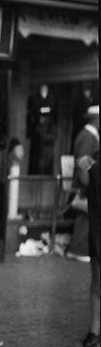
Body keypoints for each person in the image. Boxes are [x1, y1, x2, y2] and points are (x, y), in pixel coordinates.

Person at [66, 105, 99, 263]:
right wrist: (88, 184)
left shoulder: (89, 136)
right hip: (87, 183)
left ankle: (80, 248)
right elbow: (83, 162)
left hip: (90, 182)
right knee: (86, 215)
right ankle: (78, 249)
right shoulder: (88, 137)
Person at [76, 151, 100, 347]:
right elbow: (85, 181)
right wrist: (82, 166)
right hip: (99, 228)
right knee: (97, 279)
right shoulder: (96, 158)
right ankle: (94, 329)